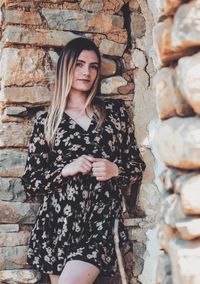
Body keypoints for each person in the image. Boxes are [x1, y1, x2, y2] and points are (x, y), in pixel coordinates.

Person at [21, 37, 145, 284]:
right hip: (57, 226)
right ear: (66, 67)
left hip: (99, 223)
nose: (86, 72)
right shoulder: (47, 122)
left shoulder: (114, 115)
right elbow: (31, 182)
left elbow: (136, 166)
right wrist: (65, 170)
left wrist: (115, 169)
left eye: (93, 66)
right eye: (79, 64)